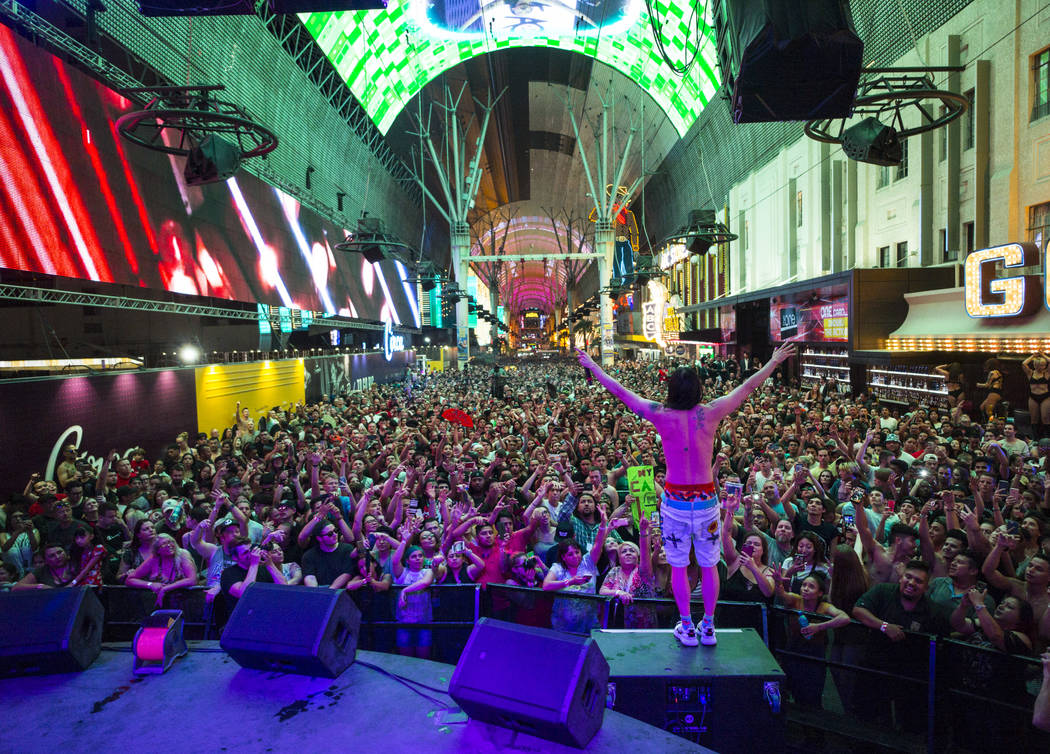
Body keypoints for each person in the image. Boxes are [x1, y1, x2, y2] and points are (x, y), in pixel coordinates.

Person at [577, 342, 795, 646]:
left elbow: (621, 392)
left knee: (679, 565)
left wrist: (593, 365)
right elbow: (747, 387)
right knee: (708, 564)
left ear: (671, 388)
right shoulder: (712, 412)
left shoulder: (660, 414)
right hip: (705, 501)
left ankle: (686, 626)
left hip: (676, 503)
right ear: (698, 388)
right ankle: (708, 625)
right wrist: (773, 361)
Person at [1023, 353, 1050, 440]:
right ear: (1035, 365)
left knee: (1045, 418)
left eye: (1043, 365)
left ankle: (1047, 437)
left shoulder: (1046, 373)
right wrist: (1033, 356)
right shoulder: (1030, 373)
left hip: (1045, 396)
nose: (1041, 367)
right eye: (1039, 365)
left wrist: (1043, 355)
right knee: (1034, 419)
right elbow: (1023, 364)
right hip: (1033, 397)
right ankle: (1036, 439)